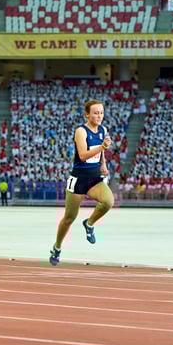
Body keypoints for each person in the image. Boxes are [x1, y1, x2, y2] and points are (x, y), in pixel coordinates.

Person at [49, 100, 115, 266]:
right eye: (95, 112)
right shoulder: (81, 131)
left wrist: (103, 165)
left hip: (94, 178)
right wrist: (102, 147)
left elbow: (102, 153)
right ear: (87, 114)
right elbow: (84, 155)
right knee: (69, 218)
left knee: (108, 202)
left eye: (101, 112)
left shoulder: (103, 130)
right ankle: (57, 247)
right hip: (78, 179)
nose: (99, 116)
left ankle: (89, 223)